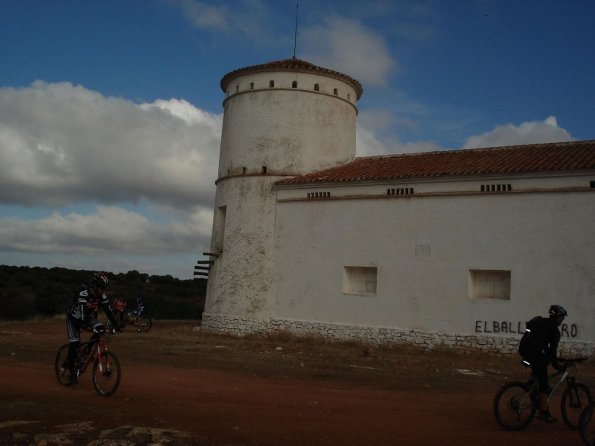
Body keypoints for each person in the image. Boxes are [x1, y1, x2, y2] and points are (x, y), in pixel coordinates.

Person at [65, 272, 119, 383]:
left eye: (105, 288)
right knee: (74, 345)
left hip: (87, 318)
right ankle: (72, 372)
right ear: (94, 286)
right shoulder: (84, 294)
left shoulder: (101, 295)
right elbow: (83, 312)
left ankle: (87, 350)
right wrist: (85, 326)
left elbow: (108, 311)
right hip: (74, 320)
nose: (103, 290)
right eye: (101, 287)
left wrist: (116, 324)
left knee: (100, 328)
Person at [518, 304, 568, 423]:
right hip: (534, 354)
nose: (562, 320)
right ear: (556, 317)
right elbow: (552, 351)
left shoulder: (540, 322)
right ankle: (543, 412)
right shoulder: (554, 331)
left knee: (540, 367)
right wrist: (557, 366)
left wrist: (548, 358)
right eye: (561, 317)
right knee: (544, 382)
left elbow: (542, 343)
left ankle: (532, 385)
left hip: (524, 351)